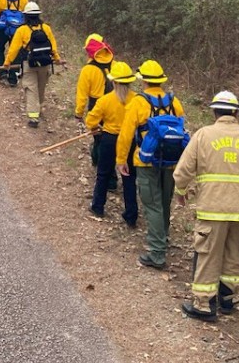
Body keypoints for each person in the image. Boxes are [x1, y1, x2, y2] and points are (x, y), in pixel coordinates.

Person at [174, 89, 239, 321]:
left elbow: (182, 171)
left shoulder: (203, 135)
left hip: (212, 208)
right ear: (236, 113)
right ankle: (228, 300)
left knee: (209, 254)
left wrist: (181, 191)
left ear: (214, 112)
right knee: (234, 254)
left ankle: (203, 305)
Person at [116, 60, 184, 270]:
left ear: (143, 80)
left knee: (152, 205)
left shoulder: (138, 102)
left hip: (146, 161)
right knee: (164, 202)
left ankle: (157, 253)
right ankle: (162, 238)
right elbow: (182, 132)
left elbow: (126, 134)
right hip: (171, 162)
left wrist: (120, 160)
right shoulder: (175, 102)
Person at [84, 61, 138, 227]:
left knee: (103, 174)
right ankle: (131, 215)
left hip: (109, 138)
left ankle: (98, 206)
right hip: (129, 140)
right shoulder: (136, 99)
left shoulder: (105, 100)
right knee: (129, 177)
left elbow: (90, 120)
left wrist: (96, 127)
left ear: (113, 82)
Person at [4, 1, 62, 128]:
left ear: (25, 15)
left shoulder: (22, 30)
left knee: (31, 88)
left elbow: (13, 49)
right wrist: (57, 59)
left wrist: (7, 63)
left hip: (29, 63)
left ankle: (33, 117)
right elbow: (53, 46)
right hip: (45, 63)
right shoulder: (46, 28)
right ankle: (39, 107)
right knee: (41, 86)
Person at [75, 33, 115, 185]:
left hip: (97, 106)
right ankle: (99, 163)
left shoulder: (88, 70)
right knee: (110, 138)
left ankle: (108, 177)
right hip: (116, 105)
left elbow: (82, 94)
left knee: (99, 139)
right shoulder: (115, 65)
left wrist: (78, 113)